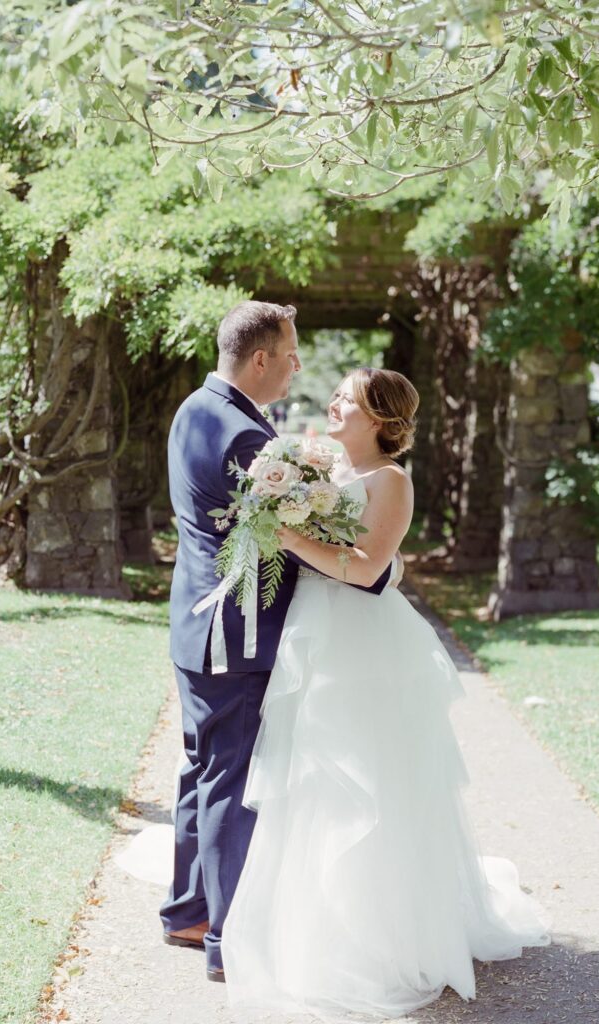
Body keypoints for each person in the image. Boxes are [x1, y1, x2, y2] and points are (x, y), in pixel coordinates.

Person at [220, 367, 551, 1017]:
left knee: (368, 783)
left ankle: (384, 940)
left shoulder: (390, 481)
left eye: (348, 397)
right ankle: (317, 935)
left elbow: (371, 568)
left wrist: (288, 533)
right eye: (338, 394)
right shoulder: (325, 472)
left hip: (365, 646)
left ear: (378, 418)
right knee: (313, 781)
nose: (335, 403)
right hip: (315, 634)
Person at [158, 303, 395, 983]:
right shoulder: (242, 438)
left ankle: (187, 911)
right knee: (230, 778)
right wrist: (370, 571)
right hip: (235, 629)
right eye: (290, 354)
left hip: (196, 622)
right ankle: (227, 941)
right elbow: (270, 543)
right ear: (260, 358)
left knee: (203, 767)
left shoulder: (198, 408)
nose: (297, 366)